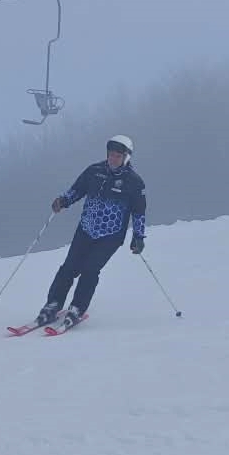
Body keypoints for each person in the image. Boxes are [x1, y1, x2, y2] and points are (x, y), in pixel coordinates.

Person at [33, 134, 147, 329]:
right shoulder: (94, 171)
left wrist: (138, 237)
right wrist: (63, 201)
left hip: (110, 236)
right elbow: (77, 190)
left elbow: (139, 212)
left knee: (90, 270)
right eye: (110, 155)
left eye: (117, 156)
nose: (113, 159)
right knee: (69, 267)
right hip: (86, 229)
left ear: (126, 157)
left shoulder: (134, 182)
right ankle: (53, 305)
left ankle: (77, 308)